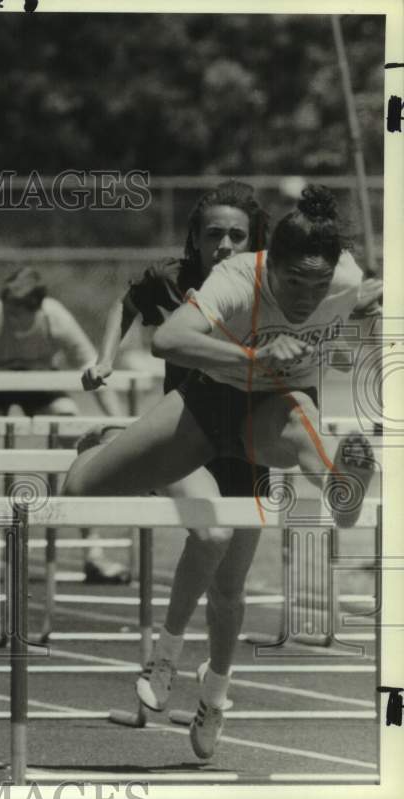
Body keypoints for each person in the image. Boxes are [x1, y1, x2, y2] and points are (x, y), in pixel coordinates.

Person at [63, 185, 376, 760]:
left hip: (273, 409)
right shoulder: (236, 277)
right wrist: (254, 357)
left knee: (301, 432)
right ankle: (103, 444)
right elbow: (168, 338)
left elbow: (356, 289)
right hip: (207, 405)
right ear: (269, 264)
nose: (306, 299)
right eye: (292, 284)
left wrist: (365, 302)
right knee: (82, 490)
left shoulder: (346, 278)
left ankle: (340, 484)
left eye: (318, 285)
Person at [80, 179, 269, 745]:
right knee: (208, 535)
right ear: (196, 237)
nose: (226, 245)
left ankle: (213, 699)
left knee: (231, 591)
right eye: (215, 234)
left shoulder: (267, 288)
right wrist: (105, 357)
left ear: (254, 240)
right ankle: (163, 658)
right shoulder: (172, 280)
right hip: (183, 438)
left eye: (238, 235)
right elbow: (127, 302)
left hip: (246, 447)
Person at [0, 266, 129, 584]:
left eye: (19, 312)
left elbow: (94, 366)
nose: (12, 316)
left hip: (41, 385)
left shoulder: (55, 318)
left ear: (35, 308)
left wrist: (119, 424)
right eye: (9, 307)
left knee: (76, 437)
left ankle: (93, 551)